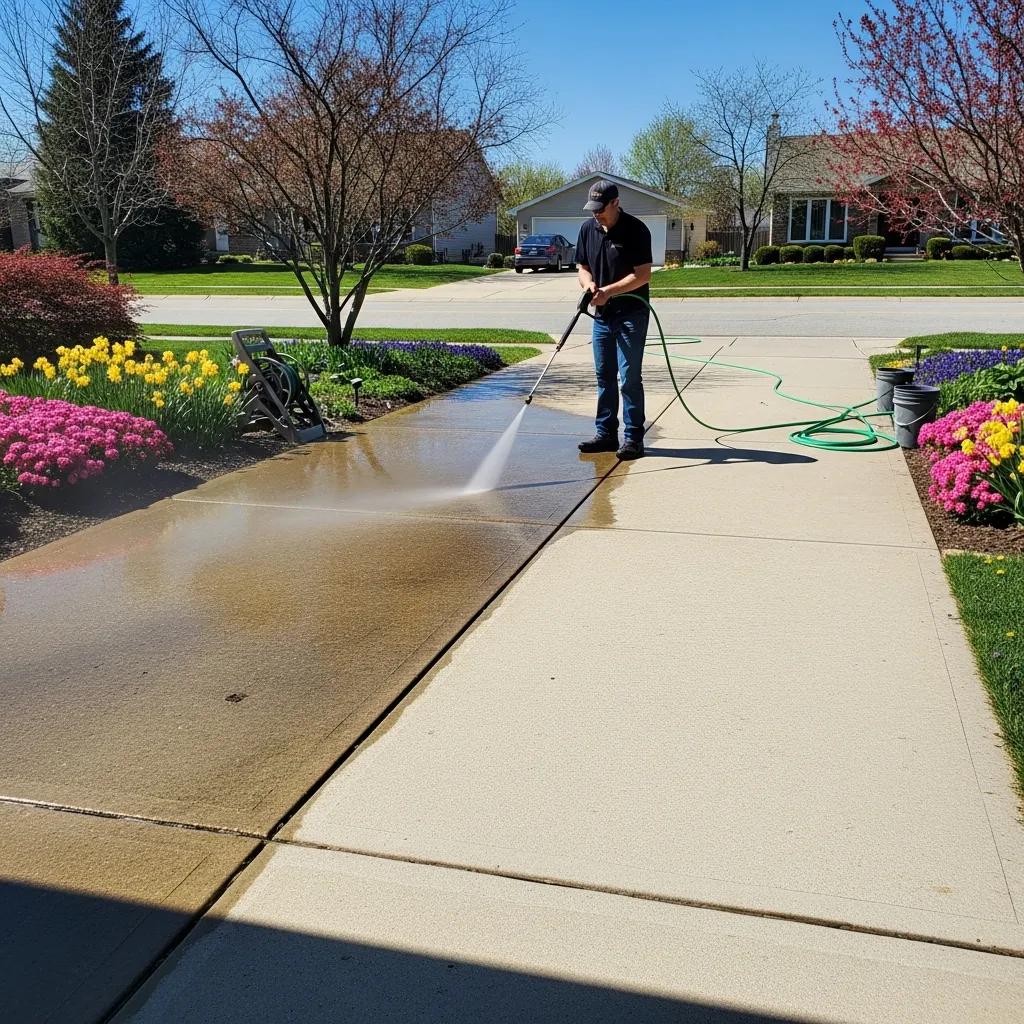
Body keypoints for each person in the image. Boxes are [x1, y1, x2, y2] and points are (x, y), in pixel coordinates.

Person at [574, 180, 653, 460]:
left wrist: (608, 291)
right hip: (603, 317)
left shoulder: (636, 230)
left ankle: (633, 438)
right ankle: (606, 434)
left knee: (629, 377)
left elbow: (642, 274)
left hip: (631, 313)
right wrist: (589, 285)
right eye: (593, 209)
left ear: (615, 203)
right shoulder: (588, 229)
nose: (596, 214)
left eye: (601, 208)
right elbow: (582, 267)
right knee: (604, 375)